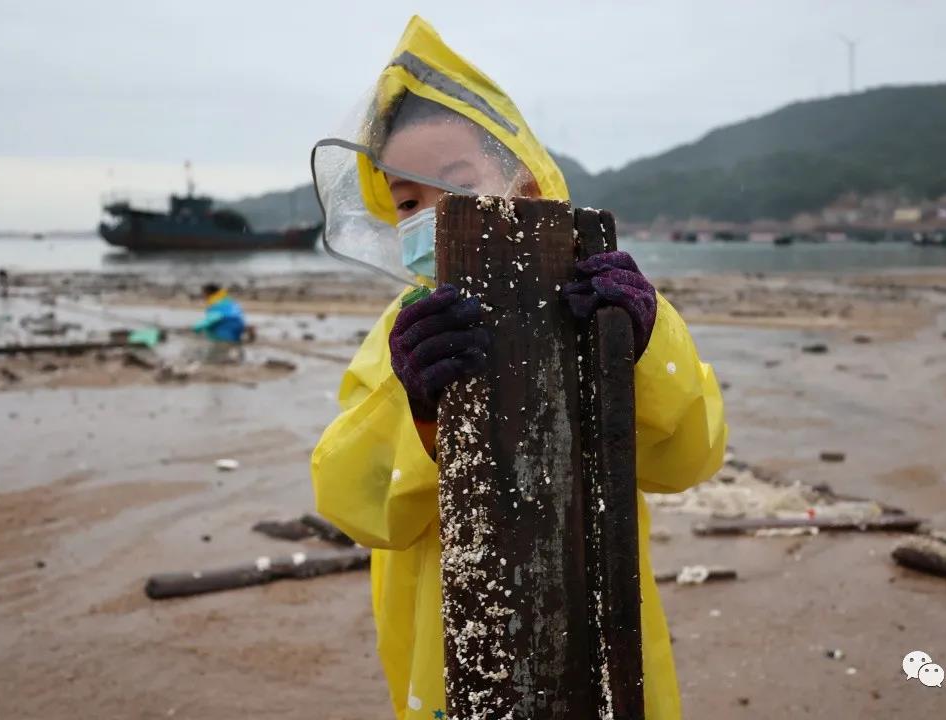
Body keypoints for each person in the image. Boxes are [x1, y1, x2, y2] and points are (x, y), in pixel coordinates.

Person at [310, 16, 727, 720]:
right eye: (407, 200)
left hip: (598, 624)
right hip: (449, 646)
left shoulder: (599, 300)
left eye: (456, 183)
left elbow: (687, 457)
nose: (430, 216)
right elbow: (351, 501)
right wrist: (416, 407)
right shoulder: (403, 333)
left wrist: (645, 341)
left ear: (526, 185)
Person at [192, 283, 246, 360]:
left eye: (203, 292)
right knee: (234, 345)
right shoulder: (226, 299)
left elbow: (213, 318)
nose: (202, 295)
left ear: (208, 292)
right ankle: (238, 357)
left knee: (219, 349)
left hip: (226, 325)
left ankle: (223, 358)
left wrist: (197, 327)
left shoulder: (215, 301)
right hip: (239, 324)